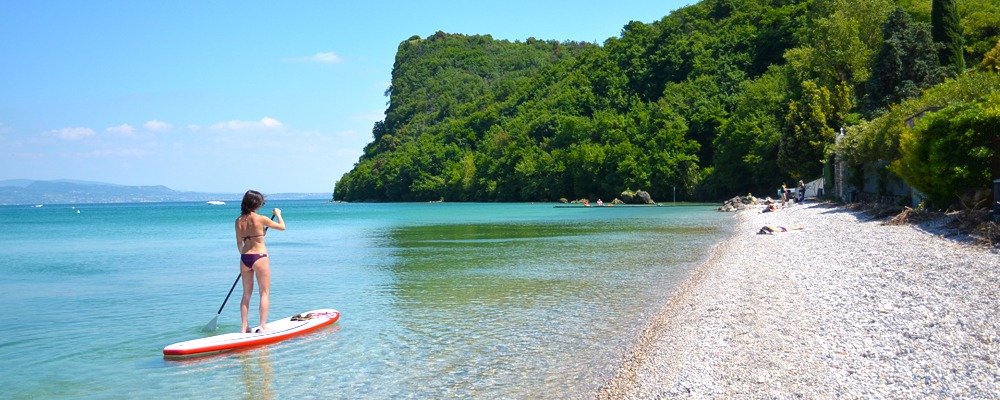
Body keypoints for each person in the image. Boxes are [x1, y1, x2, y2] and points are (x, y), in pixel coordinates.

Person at [235, 190, 285, 333]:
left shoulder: (238, 221)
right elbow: (282, 227)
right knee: (264, 292)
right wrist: (278, 214)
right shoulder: (261, 219)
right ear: (256, 204)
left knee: (246, 294)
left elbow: (239, 243)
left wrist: (245, 255)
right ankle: (263, 326)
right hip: (260, 257)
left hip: (245, 258)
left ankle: (244, 327)